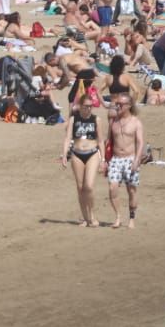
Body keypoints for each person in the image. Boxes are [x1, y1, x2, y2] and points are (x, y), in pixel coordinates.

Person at [60, 85, 103, 226]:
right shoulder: (74, 120)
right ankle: (85, 217)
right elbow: (67, 138)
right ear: (80, 106)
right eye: (86, 106)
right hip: (77, 154)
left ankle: (92, 215)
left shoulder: (97, 120)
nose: (88, 109)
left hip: (92, 153)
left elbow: (101, 140)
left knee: (89, 186)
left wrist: (103, 159)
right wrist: (64, 154)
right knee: (80, 187)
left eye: (91, 106)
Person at [107, 91, 145, 229]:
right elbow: (108, 141)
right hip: (116, 159)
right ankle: (117, 217)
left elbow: (140, 142)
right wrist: (105, 160)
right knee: (112, 188)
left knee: (132, 190)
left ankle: (132, 217)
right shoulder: (113, 121)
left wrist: (137, 160)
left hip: (130, 158)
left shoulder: (136, 122)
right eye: (117, 104)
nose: (118, 106)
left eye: (121, 104)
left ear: (129, 105)